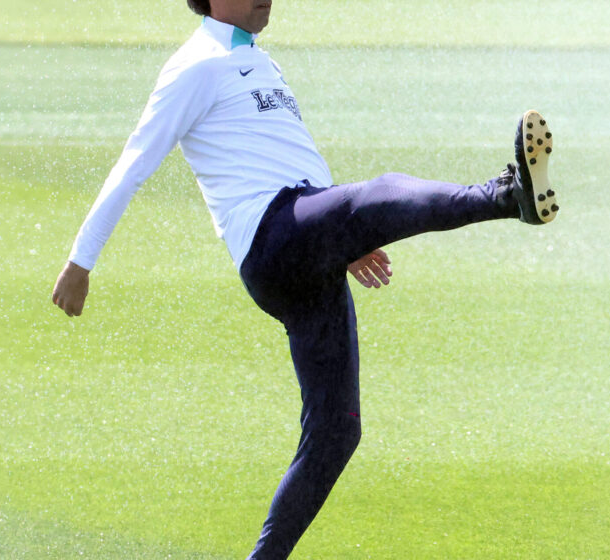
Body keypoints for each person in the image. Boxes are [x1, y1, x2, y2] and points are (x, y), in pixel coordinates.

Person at [51, 0, 560, 557]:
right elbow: (134, 164)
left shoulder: (260, 61)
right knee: (378, 190)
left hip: (303, 247)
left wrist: (345, 242)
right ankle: (504, 195)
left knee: (337, 432)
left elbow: (293, 161)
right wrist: (81, 261)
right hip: (271, 238)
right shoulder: (194, 65)